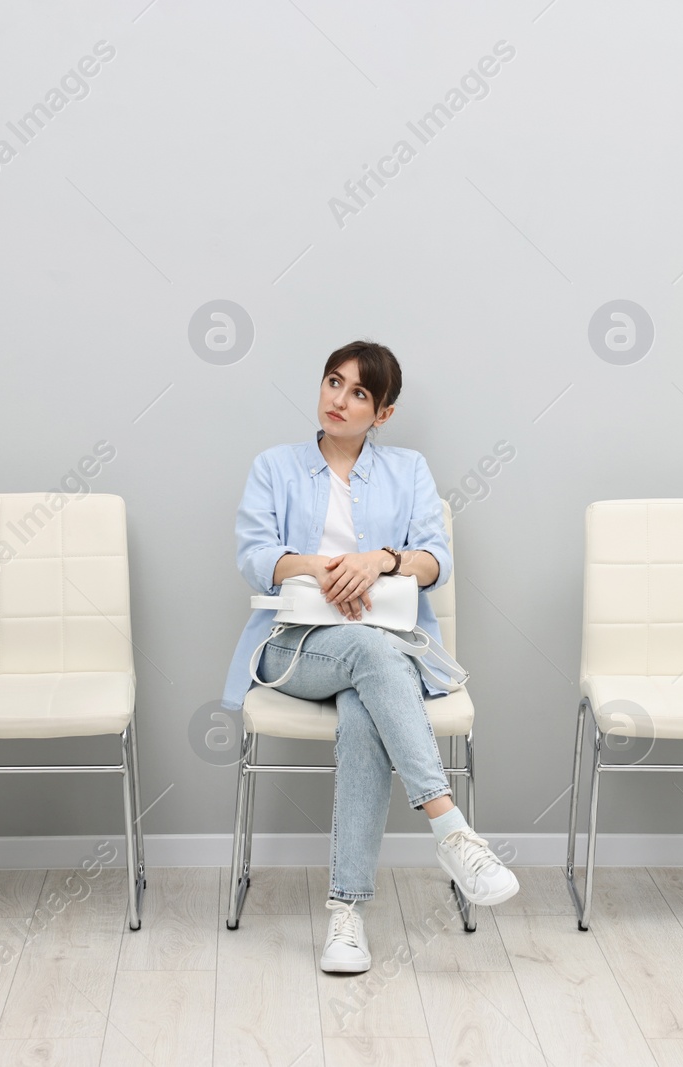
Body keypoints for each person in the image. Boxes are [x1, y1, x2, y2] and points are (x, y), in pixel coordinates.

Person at [221, 340, 519, 974]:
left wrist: (378, 560)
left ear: (382, 412)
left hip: (380, 655)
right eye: (334, 382)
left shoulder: (408, 470)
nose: (340, 399)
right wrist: (324, 567)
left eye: (359, 392)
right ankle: (451, 830)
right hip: (292, 650)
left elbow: (436, 562)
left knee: (366, 701)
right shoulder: (274, 466)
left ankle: (345, 917)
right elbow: (254, 555)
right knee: (371, 652)